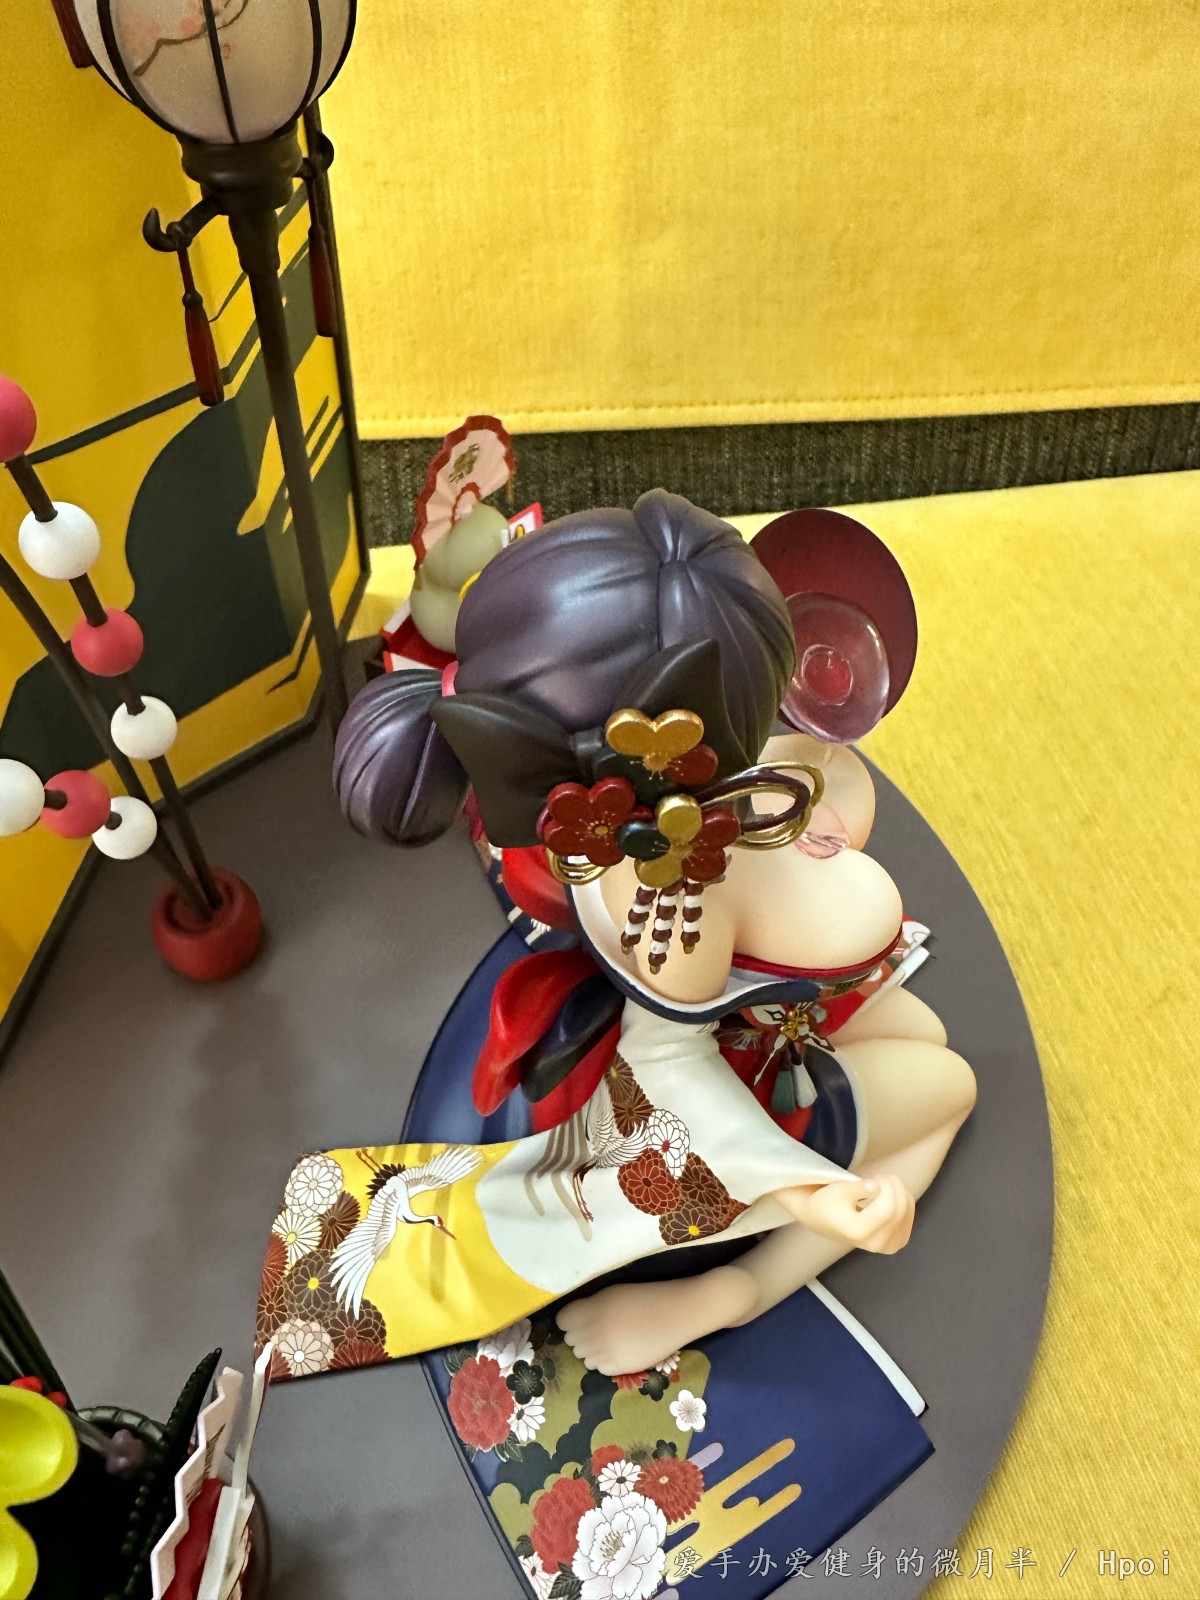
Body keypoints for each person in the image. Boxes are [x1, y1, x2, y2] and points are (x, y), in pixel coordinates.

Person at [323, 489, 975, 1373]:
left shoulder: (606, 809)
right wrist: (805, 1188)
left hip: (723, 1011)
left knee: (919, 1028)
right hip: (679, 1109)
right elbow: (666, 1063)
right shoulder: (672, 875)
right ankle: (732, 1292)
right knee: (951, 1082)